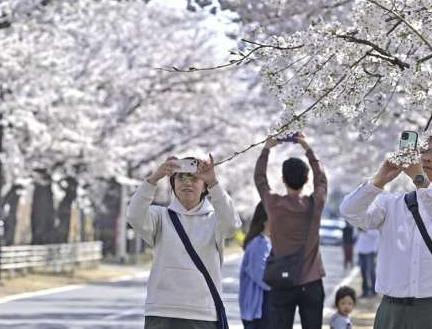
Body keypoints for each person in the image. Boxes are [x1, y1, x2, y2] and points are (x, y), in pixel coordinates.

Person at [339, 138, 432, 329]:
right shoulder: (390, 203)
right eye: (423, 152)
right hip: (392, 310)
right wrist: (379, 179)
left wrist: (421, 181)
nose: (426, 158)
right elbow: (349, 212)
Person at [128, 154, 242, 329]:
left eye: (194, 178)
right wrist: (154, 178)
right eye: (181, 177)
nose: (187, 183)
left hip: (203, 311)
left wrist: (214, 183)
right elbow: (134, 215)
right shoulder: (160, 217)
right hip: (162, 310)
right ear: (173, 184)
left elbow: (232, 225)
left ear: (204, 187)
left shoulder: (215, 219)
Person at [254, 132, 327, 329]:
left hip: (282, 282)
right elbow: (322, 180)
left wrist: (266, 149)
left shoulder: (273, 203)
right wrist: (307, 148)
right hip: (311, 282)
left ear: (283, 179)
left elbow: (259, 178)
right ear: (306, 180)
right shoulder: (315, 204)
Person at [239, 202, 272, 329]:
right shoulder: (258, 243)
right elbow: (263, 277)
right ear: (265, 220)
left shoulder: (265, 241)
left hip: (260, 310)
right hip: (258, 311)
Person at [356, 227, 379, 297]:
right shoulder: (362, 222)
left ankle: (374, 290)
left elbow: (376, 234)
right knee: (363, 272)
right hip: (361, 250)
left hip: (370, 251)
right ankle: (365, 291)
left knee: (371, 271)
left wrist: (365, 230)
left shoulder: (374, 223)